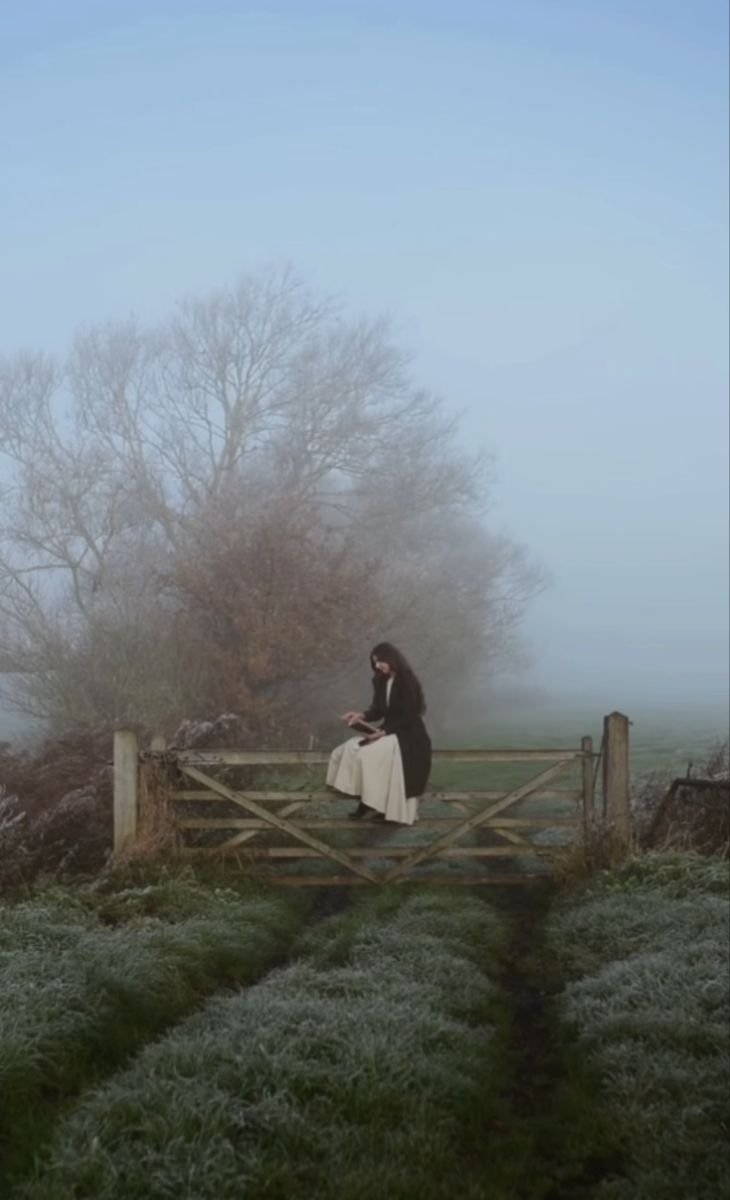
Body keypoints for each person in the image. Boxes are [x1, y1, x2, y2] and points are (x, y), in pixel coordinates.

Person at [326, 642, 432, 824]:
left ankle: (372, 803)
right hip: (388, 730)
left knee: (367, 756)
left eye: (380, 661)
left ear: (391, 659)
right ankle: (368, 801)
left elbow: (410, 714)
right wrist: (361, 715)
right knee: (352, 749)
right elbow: (378, 710)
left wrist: (384, 732)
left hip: (408, 735)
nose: (377, 666)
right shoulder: (381, 681)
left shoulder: (407, 681)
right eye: (374, 663)